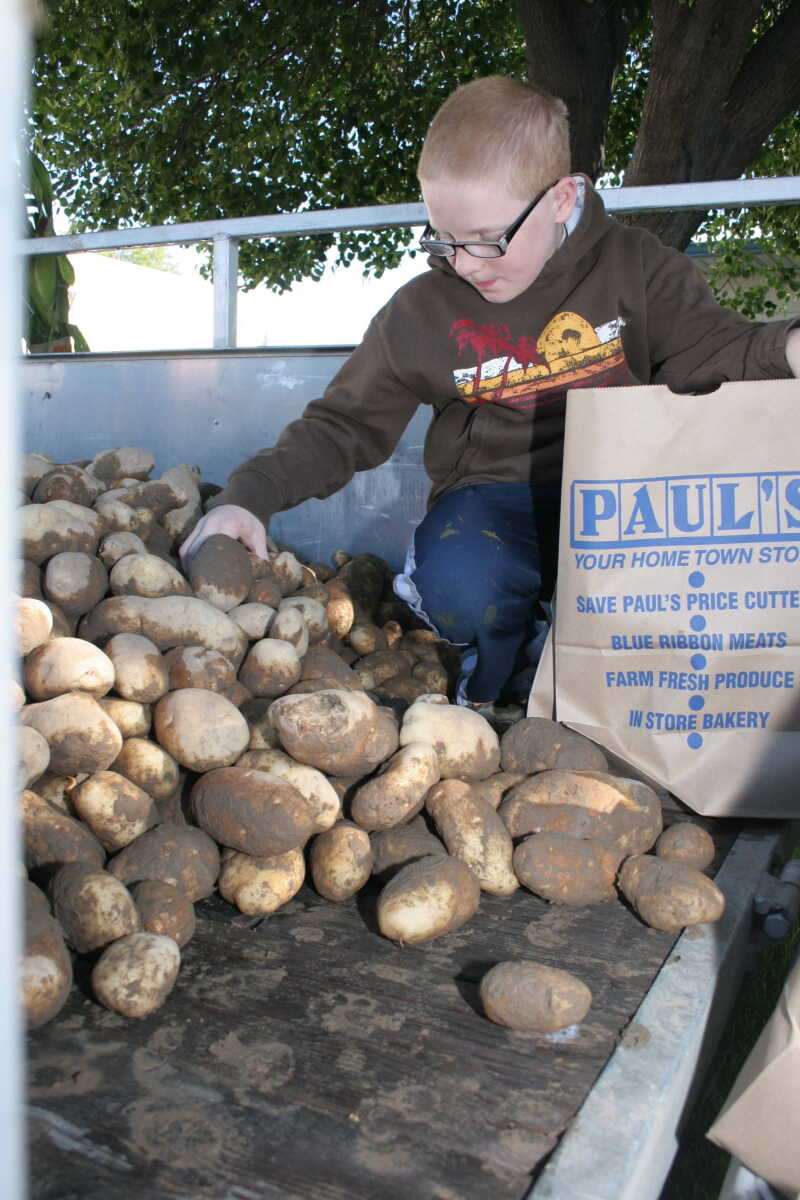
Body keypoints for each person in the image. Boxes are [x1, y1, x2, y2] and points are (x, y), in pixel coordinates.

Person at [181, 75, 800, 723]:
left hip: (626, 501)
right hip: (493, 501)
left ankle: (604, 683)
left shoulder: (638, 269)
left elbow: (716, 352)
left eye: (486, 239)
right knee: (466, 588)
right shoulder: (421, 312)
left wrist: (786, 348)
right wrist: (248, 496)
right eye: (443, 239)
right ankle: (494, 681)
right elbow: (342, 426)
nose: (466, 264)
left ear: (562, 198)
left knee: (700, 589)